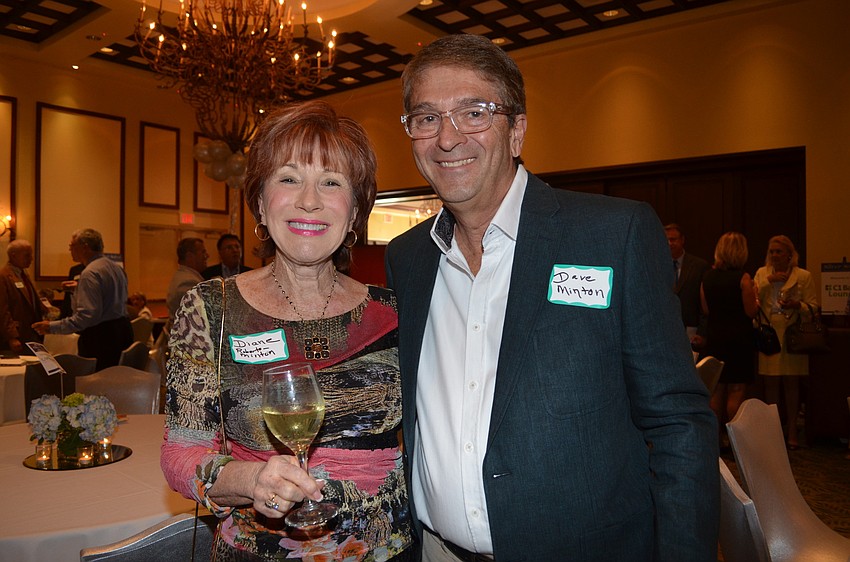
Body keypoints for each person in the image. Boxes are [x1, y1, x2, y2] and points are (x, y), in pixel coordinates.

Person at [385, 34, 718, 561]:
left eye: (474, 112)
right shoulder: (407, 260)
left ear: (516, 130)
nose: (447, 138)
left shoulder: (612, 236)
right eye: (426, 118)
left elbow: (678, 423)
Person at [161, 100, 414, 561]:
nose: (309, 200)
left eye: (331, 183)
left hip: (385, 550)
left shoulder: (395, 312)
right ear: (260, 202)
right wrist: (248, 480)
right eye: (289, 178)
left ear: (356, 211)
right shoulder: (209, 311)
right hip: (256, 551)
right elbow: (181, 455)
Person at [32, 228, 133, 368]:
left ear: (85, 247)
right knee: (117, 382)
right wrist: (78, 289)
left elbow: (87, 317)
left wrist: (52, 327)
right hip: (122, 331)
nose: (70, 250)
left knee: (96, 385)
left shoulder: (90, 273)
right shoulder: (115, 267)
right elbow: (109, 296)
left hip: (101, 338)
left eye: (72, 246)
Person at [754, 234, 818, 450]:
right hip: (769, 335)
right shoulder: (762, 274)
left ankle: (792, 430)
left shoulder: (804, 276)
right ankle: (774, 432)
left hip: (793, 336)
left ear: (790, 254)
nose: (774, 255)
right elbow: (753, 303)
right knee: (770, 384)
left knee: (792, 384)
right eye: (771, 251)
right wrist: (767, 283)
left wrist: (797, 305)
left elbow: (813, 307)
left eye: (779, 251)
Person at [700, 232, 758, 433]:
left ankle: (714, 443)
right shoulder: (743, 278)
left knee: (715, 393)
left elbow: (706, 310)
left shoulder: (707, 277)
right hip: (739, 340)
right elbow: (750, 311)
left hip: (715, 338)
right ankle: (736, 442)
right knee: (736, 392)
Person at [666, 223, 710, 348]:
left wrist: (702, 333)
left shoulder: (699, 266)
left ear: (682, 240)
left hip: (692, 333)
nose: (669, 243)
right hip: (666, 332)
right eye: (666, 240)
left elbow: (704, 305)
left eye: (673, 239)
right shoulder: (657, 266)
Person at [0, 240, 48, 353]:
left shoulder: (24, 274)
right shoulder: (3, 276)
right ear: (13, 255)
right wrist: (12, 337)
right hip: (17, 335)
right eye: (27, 255)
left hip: (32, 333)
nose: (31, 259)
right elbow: (2, 310)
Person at [165, 237, 208, 322]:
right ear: (190, 256)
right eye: (203, 252)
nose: (207, 255)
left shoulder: (183, 276)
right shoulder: (189, 283)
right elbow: (199, 319)